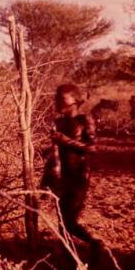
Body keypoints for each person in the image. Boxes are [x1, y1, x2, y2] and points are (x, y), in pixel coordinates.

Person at [42, 83, 102, 255]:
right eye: (56, 98)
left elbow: (92, 148)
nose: (57, 102)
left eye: (62, 99)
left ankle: (95, 244)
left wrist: (65, 140)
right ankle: (70, 261)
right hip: (62, 177)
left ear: (75, 100)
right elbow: (55, 152)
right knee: (63, 223)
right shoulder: (58, 122)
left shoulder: (84, 120)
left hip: (79, 176)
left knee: (69, 221)